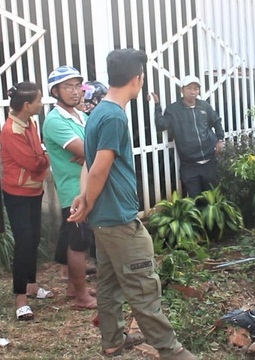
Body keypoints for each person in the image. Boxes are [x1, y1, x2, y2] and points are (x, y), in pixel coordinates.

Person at [68, 49, 198, 359]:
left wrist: (84, 197)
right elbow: (99, 166)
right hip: (118, 219)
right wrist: (87, 200)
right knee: (143, 285)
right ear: (137, 79)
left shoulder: (99, 111)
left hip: (104, 219)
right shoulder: (113, 115)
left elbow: (88, 163)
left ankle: (112, 340)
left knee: (110, 284)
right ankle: (171, 351)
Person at [42, 65, 97, 310]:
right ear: (55, 91)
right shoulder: (55, 120)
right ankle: (82, 297)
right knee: (78, 243)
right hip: (73, 191)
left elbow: (93, 149)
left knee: (78, 239)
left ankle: (75, 287)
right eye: (68, 86)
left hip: (86, 186)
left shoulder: (81, 116)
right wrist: (89, 153)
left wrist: (89, 153)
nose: (75, 91)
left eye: (77, 86)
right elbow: (90, 150)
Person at [0, 82, 52, 321]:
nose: (41, 104)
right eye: (39, 101)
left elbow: (37, 154)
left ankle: (31, 285)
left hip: (33, 190)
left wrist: (41, 156)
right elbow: (33, 162)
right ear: (27, 104)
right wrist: (45, 157)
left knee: (33, 239)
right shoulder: (11, 130)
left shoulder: (28, 122)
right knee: (23, 243)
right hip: (17, 194)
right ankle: (20, 298)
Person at [150, 75, 224, 197]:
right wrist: (157, 105)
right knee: (196, 201)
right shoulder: (174, 110)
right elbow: (161, 125)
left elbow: (216, 121)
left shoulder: (204, 106)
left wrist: (220, 139)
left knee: (212, 201)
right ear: (182, 90)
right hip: (189, 165)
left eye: (196, 88)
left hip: (209, 162)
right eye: (189, 88)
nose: (193, 92)